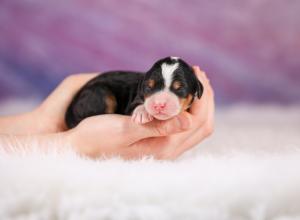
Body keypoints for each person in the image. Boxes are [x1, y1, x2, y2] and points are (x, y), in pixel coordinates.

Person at [0, 66, 214, 160]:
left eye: (178, 90)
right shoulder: (139, 96)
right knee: (104, 98)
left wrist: (42, 123)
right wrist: (72, 142)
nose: (159, 102)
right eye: (151, 89)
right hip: (96, 96)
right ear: (143, 88)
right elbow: (136, 106)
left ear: (196, 91)